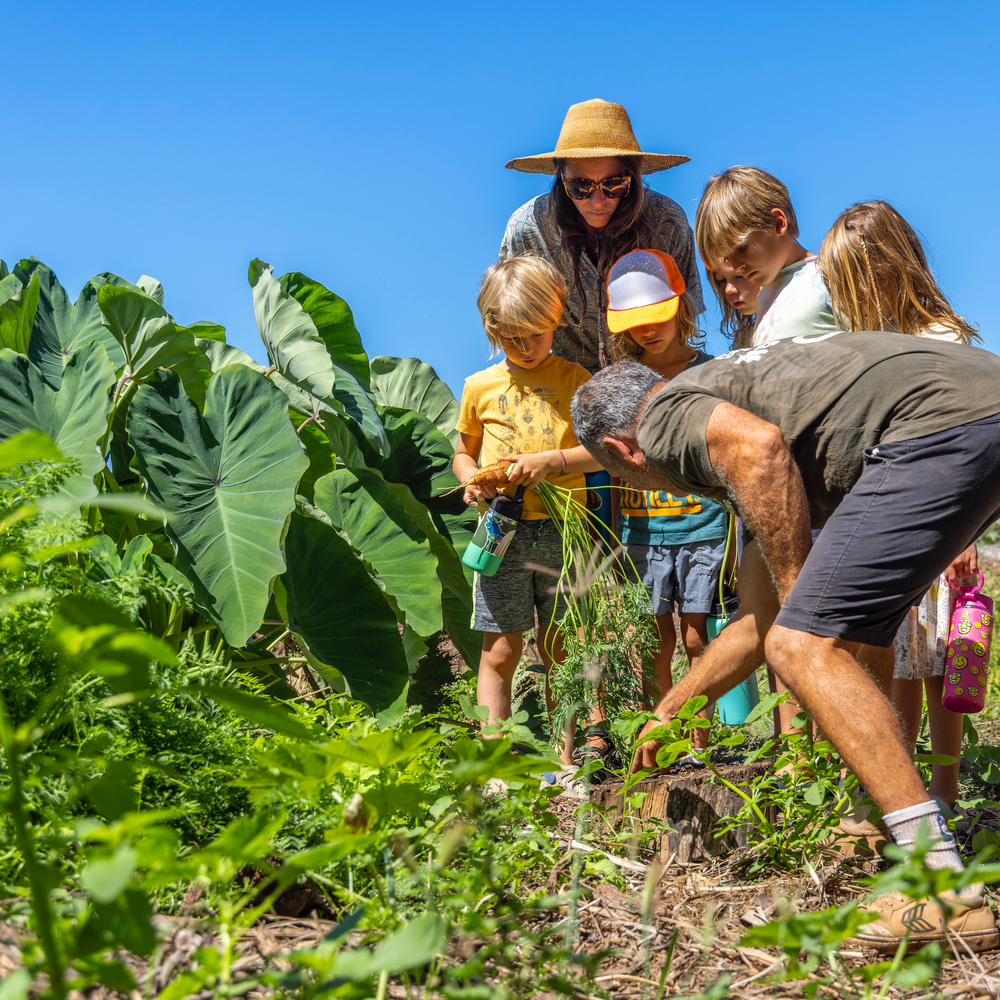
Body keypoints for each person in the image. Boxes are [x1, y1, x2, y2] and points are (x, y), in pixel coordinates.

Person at [571, 334, 1000, 952]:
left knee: (807, 643)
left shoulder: (667, 418)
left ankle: (942, 887)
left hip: (938, 424)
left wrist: (805, 608)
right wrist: (673, 707)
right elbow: (761, 621)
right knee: (834, 631)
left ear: (622, 451)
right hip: (973, 409)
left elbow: (760, 452)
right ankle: (886, 824)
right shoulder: (738, 396)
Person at [820, 199, 982, 822]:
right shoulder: (875, 346)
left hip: (947, 528)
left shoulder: (942, 339)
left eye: (849, 286)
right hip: (900, 526)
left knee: (944, 665)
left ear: (884, 274)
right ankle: (901, 779)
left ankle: (945, 786)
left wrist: (964, 529)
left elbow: (964, 446)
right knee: (902, 662)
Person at [500, 98, 705, 541]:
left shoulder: (667, 221)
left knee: (660, 540)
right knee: (579, 549)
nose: (598, 199)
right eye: (581, 187)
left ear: (633, 177)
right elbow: (513, 317)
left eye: (614, 185)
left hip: (649, 392)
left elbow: (685, 312)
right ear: (561, 178)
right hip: (564, 398)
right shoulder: (527, 228)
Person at [454, 256, 601, 765]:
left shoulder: (575, 378)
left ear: (555, 319)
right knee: (500, 648)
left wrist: (552, 461)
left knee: (562, 646)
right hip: (502, 534)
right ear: (494, 329)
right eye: (513, 337)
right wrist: (472, 483)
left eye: (535, 335)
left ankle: (567, 758)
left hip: (563, 530)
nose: (525, 348)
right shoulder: (479, 387)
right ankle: (493, 760)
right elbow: (463, 452)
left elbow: (599, 450)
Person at [602, 249, 732, 754]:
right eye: (635, 326)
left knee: (699, 638)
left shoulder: (713, 372)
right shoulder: (620, 383)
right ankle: (658, 739)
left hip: (704, 526)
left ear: (682, 308)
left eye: (657, 319)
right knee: (654, 640)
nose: (648, 333)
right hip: (642, 531)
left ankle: (698, 745)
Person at [695, 165, 837, 348]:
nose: (737, 266)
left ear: (778, 224)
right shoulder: (765, 298)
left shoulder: (829, 278)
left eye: (741, 248)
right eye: (727, 258)